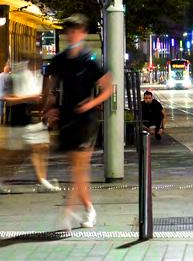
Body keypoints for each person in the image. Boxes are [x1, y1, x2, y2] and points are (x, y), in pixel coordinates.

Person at [43, 14, 113, 230]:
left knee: (79, 169)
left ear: (83, 33)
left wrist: (91, 104)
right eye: (69, 31)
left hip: (86, 121)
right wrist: (49, 106)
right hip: (66, 118)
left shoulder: (90, 59)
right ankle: (89, 209)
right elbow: (49, 84)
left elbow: (108, 88)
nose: (72, 35)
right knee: (77, 170)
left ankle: (68, 213)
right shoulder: (60, 59)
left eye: (76, 31)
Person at [0, 58, 59, 193]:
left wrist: (46, 106)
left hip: (34, 120)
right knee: (17, 154)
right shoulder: (17, 77)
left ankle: (43, 181)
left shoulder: (37, 77)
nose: (38, 65)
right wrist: (29, 98)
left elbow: (41, 97)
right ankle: (2, 178)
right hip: (20, 120)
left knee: (42, 147)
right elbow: (7, 99)